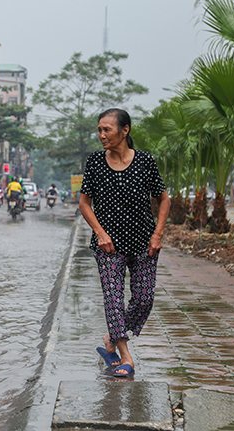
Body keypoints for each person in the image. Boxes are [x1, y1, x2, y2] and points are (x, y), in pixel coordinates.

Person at [78, 108, 170, 378]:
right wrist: (100, 233)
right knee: (114, 299)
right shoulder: (95, 161)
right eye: (99, 130)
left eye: (107, 129)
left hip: (144, 242)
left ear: (125, 130)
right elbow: (84, 203)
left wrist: (158, 234)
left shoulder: (144, 161)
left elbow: (163, 199)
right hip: (109, 247)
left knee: (144, 300)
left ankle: (111, 336)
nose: (101, 135)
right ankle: (125, 355)